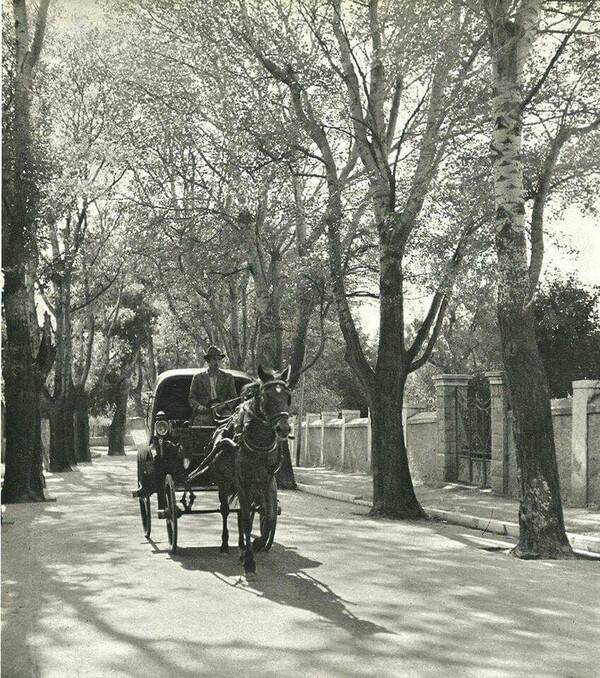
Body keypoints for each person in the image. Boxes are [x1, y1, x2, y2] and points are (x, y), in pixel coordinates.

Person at [188, 346, 237, 425]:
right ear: (208, 361)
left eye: (219, 359)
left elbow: (233, 397)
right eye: (214, 359)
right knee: (198, 426)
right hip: (205, 412)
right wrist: (199, 407)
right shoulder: (198, 378)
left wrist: (223, 405)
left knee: (231, 425)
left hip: (223, 412)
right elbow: (192, 397)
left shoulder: (228, 377)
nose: (217, 362)